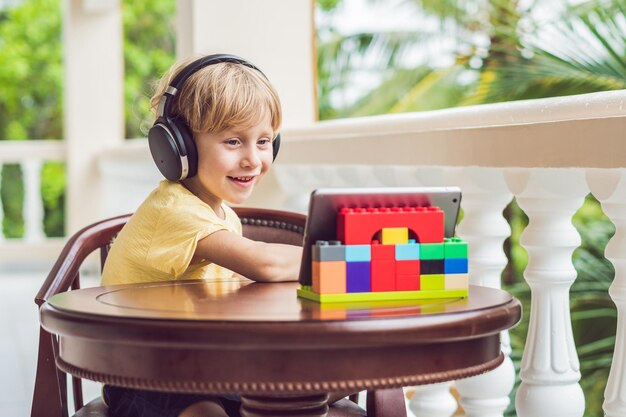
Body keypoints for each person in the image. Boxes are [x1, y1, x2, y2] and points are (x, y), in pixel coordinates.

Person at [100, 54, 303, 417]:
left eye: (264, 141)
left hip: (205, 369)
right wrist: (344, 255)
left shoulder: (223, 214)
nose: (253, 160)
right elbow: (265, 263)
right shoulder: (174, 211)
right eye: (233, 142)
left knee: (313, 386)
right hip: (146, 376)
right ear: (178, 145)